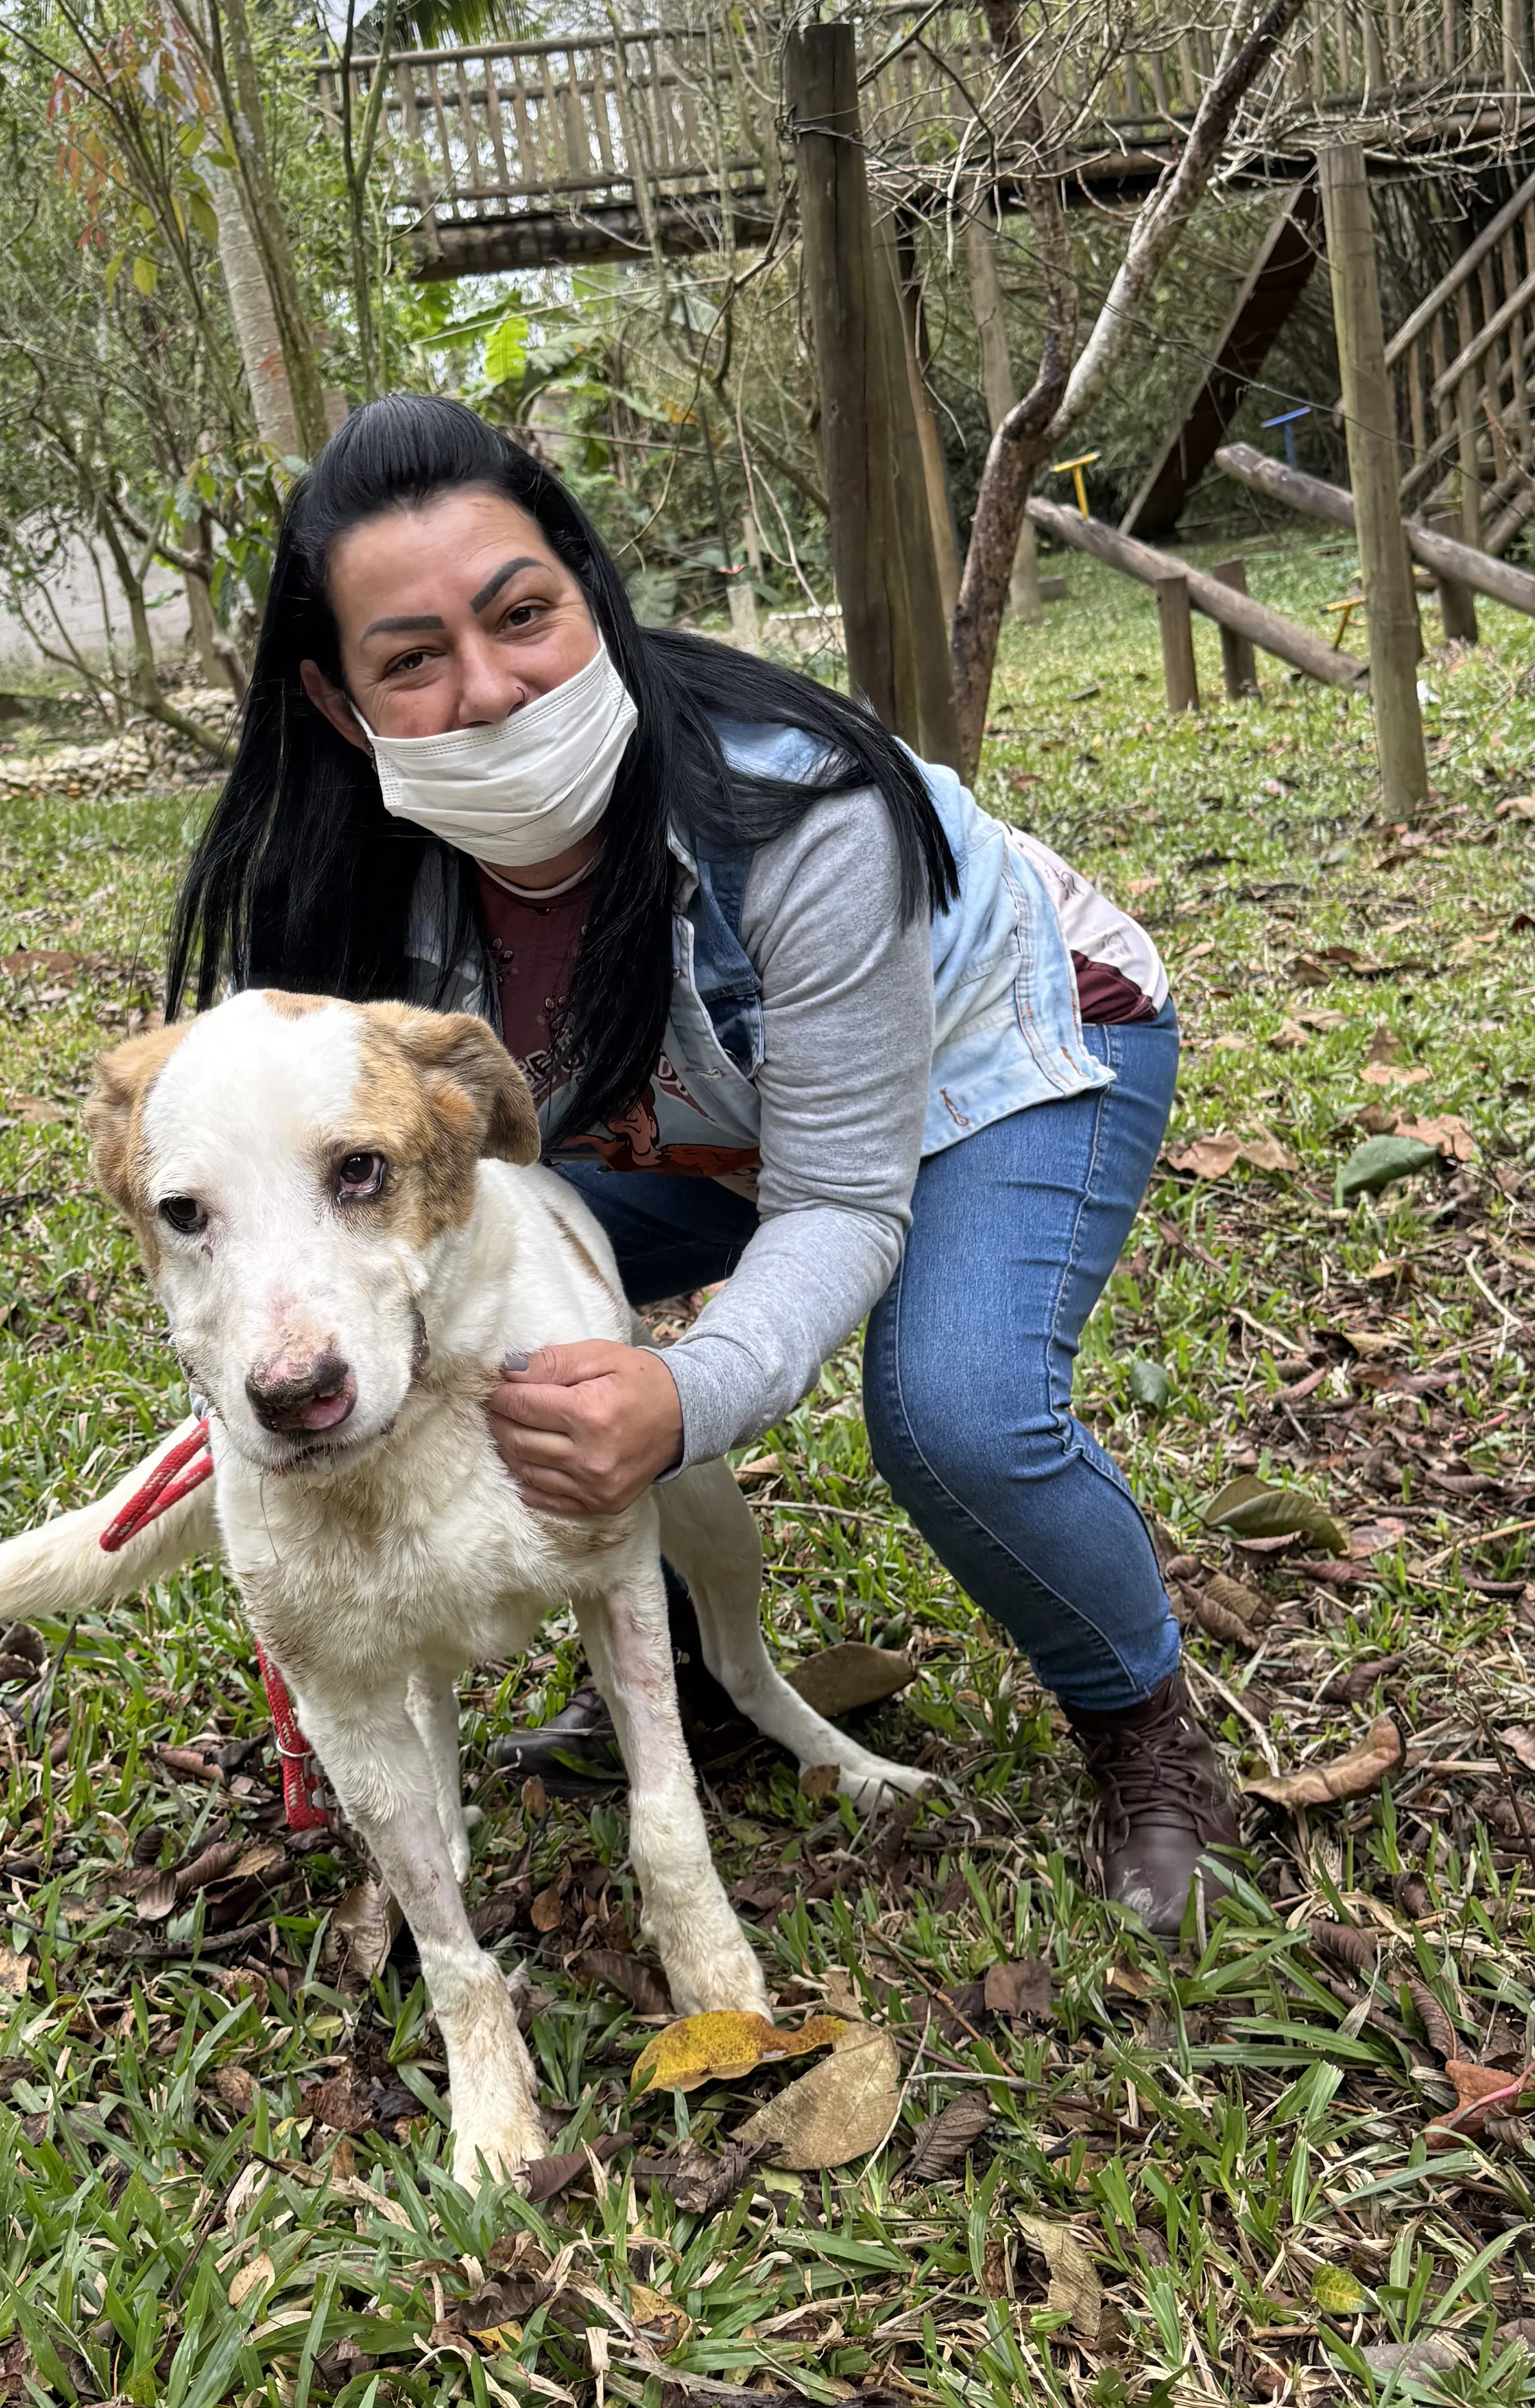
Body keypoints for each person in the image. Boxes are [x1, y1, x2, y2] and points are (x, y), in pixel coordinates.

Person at [169, 395, 1239, 1932]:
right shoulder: (353, 904)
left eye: (523, 616)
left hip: (1005, 1053)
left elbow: (842, 1197)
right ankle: (690, 1691)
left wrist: (687, 1394)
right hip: (694, 1119)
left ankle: (1142, 1731)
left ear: (592, 603)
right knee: (503, 1304)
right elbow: (291, 1201)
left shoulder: (798, 809)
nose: (488, 690)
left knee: (958, 1414)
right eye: (412, 659)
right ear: (342, 705)